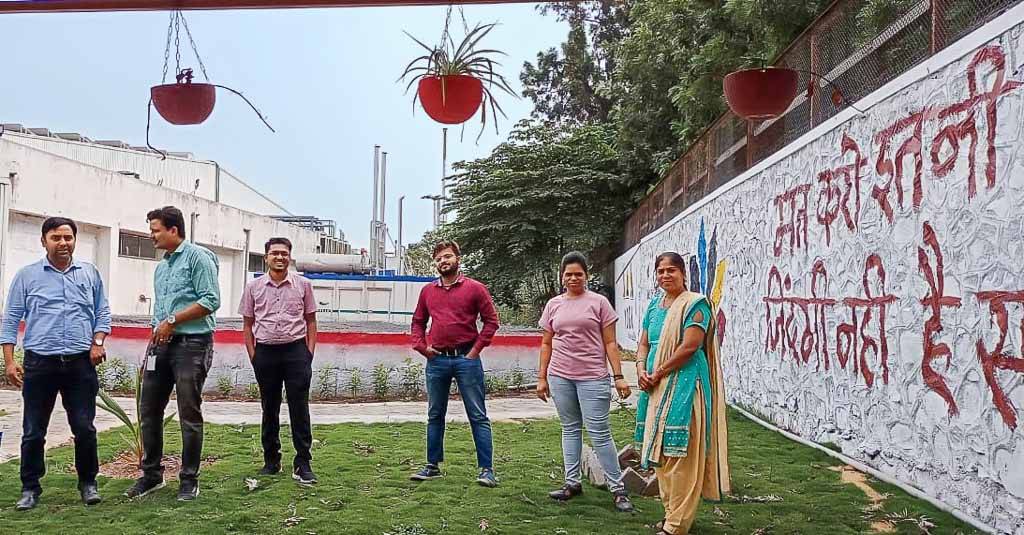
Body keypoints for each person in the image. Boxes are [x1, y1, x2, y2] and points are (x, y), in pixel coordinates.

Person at [1, 217, 111, 510]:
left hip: (80, 365)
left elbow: (102, 312)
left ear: (75, 240)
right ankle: (30, 488)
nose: (63, 243)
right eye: (56, 238)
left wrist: (98, 342)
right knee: (34, 430)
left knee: (84, 428)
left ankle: (88, 483)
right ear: (43, 241)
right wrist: (10, 362)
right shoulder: (27, 276)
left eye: (68, 238)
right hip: (40, 364)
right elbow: (10, 319)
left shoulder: (89, 273)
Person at [125, 206, 220, 502]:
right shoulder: (162, 267)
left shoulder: (198, 257)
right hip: (161, 347)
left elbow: (211, 300)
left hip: (192, 345)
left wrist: (173, 321)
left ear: (173, 230)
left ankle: (189, 480)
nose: (151, 235)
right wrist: (154, 340)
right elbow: (160, 314)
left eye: (155, 230)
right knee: (148, 410)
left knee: (188, 412)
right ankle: (151, 476)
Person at [634, 252, 731, 535]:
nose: (665, 275)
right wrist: (641, 369)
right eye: (661, 271)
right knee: (661, 455)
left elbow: (690, 347)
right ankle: (671, 515)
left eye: (671, 270)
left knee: (682, 456)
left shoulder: (695, 305)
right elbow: (643, 344)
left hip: (685, 383)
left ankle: (676, 525)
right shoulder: (654, 306)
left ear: (683, 273)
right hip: (654, 385)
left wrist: (657, 372)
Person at [536, 251, 634, 512]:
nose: (573, 278)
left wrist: (619, 376)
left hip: (593, 377)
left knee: (600, 433)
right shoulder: (553, 305)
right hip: (560, 376)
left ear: (586, 276)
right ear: (562, 277)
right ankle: (572, 483)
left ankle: (618, 489)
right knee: (570, 429)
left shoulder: (599, 303)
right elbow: (546, 343)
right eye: (568, 274)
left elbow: (610, 342)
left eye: (578, 273)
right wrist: (542, 377)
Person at [409, 240, 500, 487]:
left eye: (447, 257)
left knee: (477, 415)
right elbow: (418, 321)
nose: (443, 262)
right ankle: (432, 465)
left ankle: (486, 469)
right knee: (435, 414)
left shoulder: (475, 289)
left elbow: (492, 321)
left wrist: (476, 350)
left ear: (458, 259)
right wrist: (421, 347)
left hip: (467, 359)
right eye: (438, 259)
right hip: (437, 360)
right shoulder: (428, 291)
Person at [239, 237, 319, 485]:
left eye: (284, 253)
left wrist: (308, 354)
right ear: (266, 257)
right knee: (269, 408)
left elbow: (311, 321)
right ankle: (271, 460)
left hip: (296, 352)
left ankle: (303, 462)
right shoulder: (253, 287)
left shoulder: (303, 285)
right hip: (265, 353)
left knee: (299, 407)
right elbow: (247, 324)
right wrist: (254, 355)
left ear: (290, 257)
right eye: (275, 253)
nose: (280, 257)